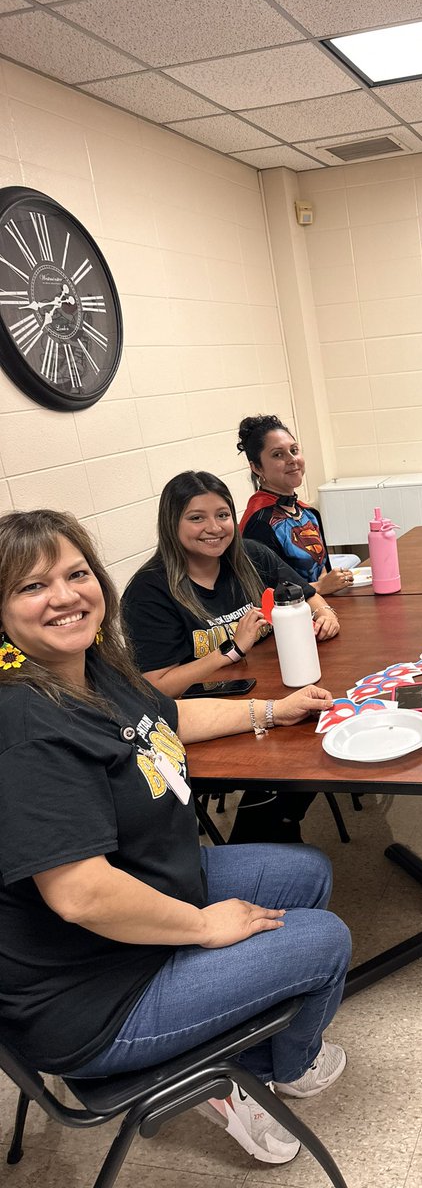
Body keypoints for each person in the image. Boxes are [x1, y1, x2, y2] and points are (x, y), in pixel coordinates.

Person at [0, 509, 351, 1166]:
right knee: (326, 943)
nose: (66, 595)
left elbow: (170, 718)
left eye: (76, 573)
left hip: (146, 890)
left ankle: (238, 1046)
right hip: (92, 991)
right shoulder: (21, 723)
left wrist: (272, 710)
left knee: (307, 873)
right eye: (32, 586)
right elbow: (79, 894)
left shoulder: (91, 668)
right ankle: (267, 1074)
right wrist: (200, 927)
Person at [122, 471, 338, 842]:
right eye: (196, 517)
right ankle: (257, 840)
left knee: (318, 720)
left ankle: (280, 826)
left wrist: (325, 613)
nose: (214, 528)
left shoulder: (250, 556)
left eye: (222, 515)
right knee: (300, 745)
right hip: (201, 716)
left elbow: (308, 592)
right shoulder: (149, 591)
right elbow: (154, 687)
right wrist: (231, 651)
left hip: (267, 687)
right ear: (171, 524)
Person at [237, 415, 358, 593]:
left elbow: (322, 571)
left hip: (323, 610)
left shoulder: (308, 513)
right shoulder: (260, 522)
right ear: (257, 467)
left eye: (294, 450)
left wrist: (334, 580)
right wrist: (320, 587)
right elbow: (265, 593)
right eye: (278, 455)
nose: (292, 459)